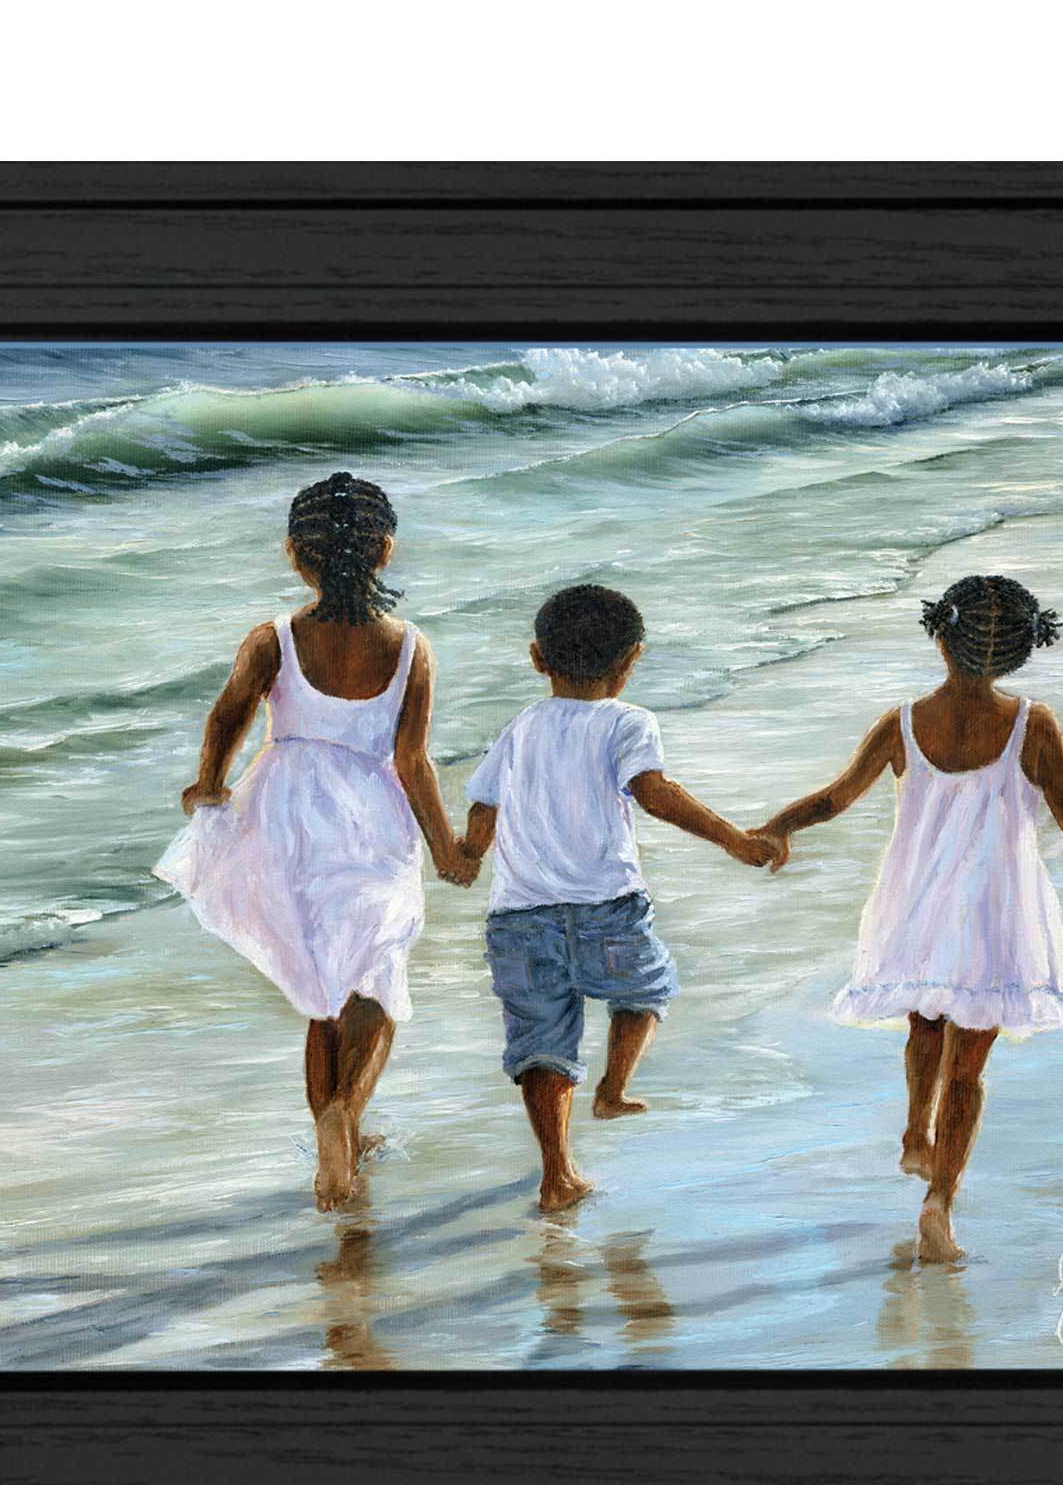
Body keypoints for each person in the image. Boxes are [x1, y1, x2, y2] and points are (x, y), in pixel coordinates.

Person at [755, 574, 1063, 1263]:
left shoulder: (903, 723)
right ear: (1021, 652)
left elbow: (834, 798)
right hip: (996, 913)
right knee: (968, 1068)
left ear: (940, 640)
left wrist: (779, 826)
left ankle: (916, 1131)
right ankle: (939, 1204)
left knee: (923, 1023)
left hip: (915, 904)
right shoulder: (1033, 726)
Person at [154, 473, 476, 1210]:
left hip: (288, 815)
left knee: (322, 996)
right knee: (376, 982)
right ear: (385, 551)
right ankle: (345, 1117)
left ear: (295, 555)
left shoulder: (274, 639)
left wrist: (209, 783)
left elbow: (229, 714)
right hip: (374, 821)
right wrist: (446, 848)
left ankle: (332, 1129)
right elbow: (413, 761)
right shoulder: (410, 648)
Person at [458, 583, 781, 1212]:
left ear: (537, 657)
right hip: (608, 904)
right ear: (632, 659)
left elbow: (483, 806)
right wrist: (734, 839)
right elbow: (653, 792)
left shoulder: (520, 726)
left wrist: (468, 854)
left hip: (518, 915)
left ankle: (556, 1173)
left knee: (540, 1042)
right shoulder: (628, 721)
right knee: (645, 990)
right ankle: (612, 1089)